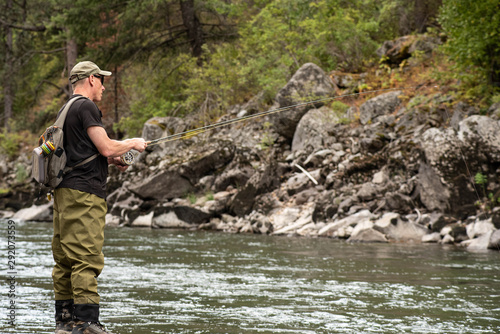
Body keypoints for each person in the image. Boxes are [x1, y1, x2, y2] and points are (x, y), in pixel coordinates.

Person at [52, 61, 147, 334]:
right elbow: (105, 146)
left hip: (63, 193)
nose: (104, 86)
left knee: (65, 260)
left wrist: (116, 158)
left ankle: (65, 322)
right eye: (101, 80)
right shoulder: (86, 106)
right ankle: (87, 323)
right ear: (91, 79)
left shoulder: (66, 109)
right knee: (86, 257)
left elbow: (85, 149)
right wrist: (132, 143)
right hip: (84, 195)